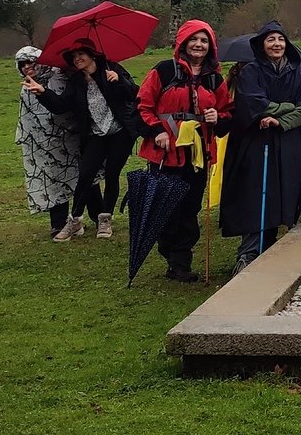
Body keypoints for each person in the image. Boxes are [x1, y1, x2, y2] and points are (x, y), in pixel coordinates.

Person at [135, 20, 232, 283]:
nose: (199, 45)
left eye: (204, 41)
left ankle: (180, 262)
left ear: (210, 46)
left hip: (197, 156)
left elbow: (228, 111)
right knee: (166, 208)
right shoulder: (164, 71)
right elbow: (142, 106)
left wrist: (216, 116)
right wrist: (158, 132)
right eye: (194, 40)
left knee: (189, 208)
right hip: (165, 154)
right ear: (183, 43)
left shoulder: (214, 78)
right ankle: (168, 250)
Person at [224, 21, 301, 273]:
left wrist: (281, 120)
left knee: (284, 191)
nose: (277, 44)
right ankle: (249, 251)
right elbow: (254, 103)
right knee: (257, 192)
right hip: (256, 141)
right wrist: (287, 106)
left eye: (281, 39)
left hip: (289, 140)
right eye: (271, 40)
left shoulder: (299, 72)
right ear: (262, 44)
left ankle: (271, 245)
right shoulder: (251, 72)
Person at [34, 40, 140, 241]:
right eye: (73, 57)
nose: (77, 59)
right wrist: (42, 92)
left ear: (92, 55)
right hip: (95, 134)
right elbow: (61, 105)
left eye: (81, 54)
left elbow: (134, 93)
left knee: (112, 174)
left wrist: (119, 80)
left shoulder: (112, 69)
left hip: (120, 132)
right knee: (85, 175)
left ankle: (105, 219)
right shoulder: (76, 81)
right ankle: (74, 221)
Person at [15, 46, 79, 239]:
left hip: (68, 137)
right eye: (23, 64)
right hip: (42, 142)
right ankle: (58, 224)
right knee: (51, 180)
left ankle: (95, 215)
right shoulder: (27, 86)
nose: (27, 67)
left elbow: (65, 105)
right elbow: (26, 115)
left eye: (31, 62)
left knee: (80, 177)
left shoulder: (59, 77)